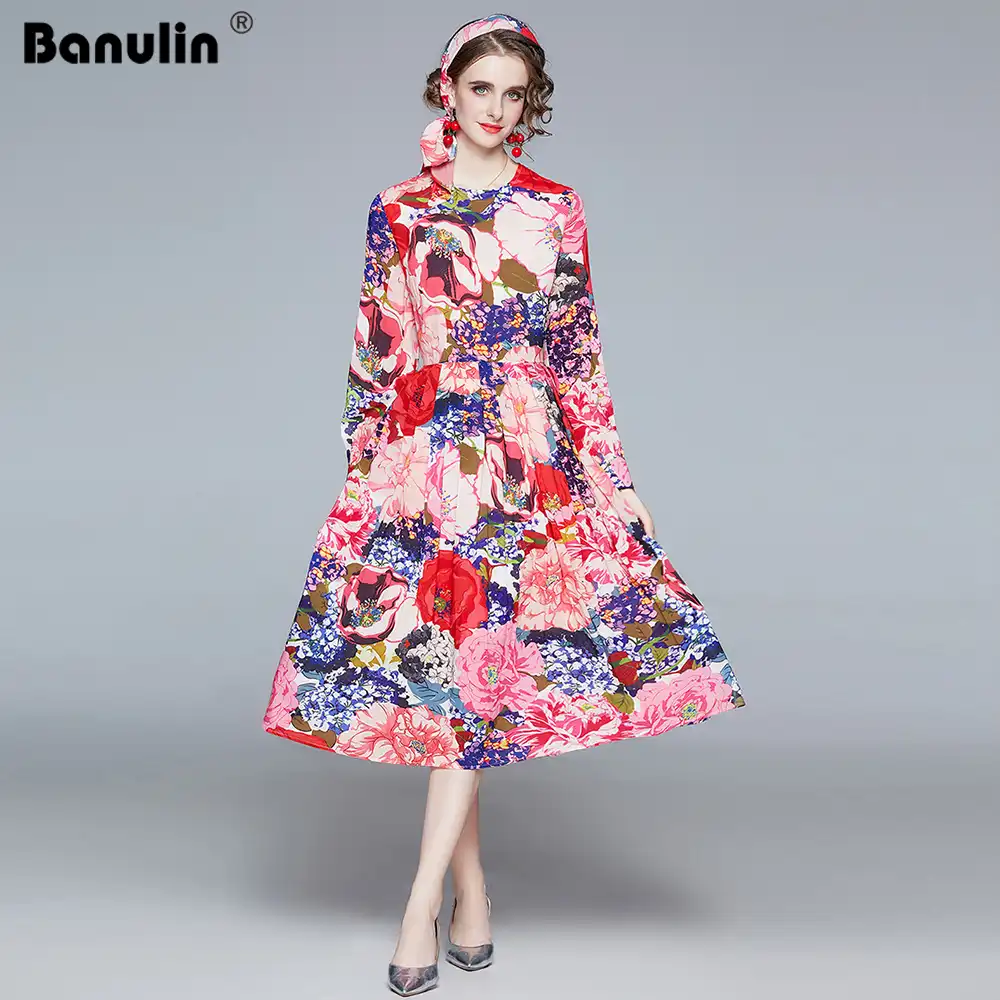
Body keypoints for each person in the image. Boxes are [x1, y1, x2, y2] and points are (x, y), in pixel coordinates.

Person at [261, 12, 747, 996]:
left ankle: (420, 903)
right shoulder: (397, 209)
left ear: (531, 104)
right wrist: (360, 473)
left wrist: (616, 478)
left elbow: (577, 354)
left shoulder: (554, 207)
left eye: (513, 94)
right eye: (480, 88)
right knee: (453, 677)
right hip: (421, 460)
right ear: (448, 90)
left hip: (523, 461)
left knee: (475, 674)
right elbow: (376, 346)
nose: (495, 108)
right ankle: (470, 891)